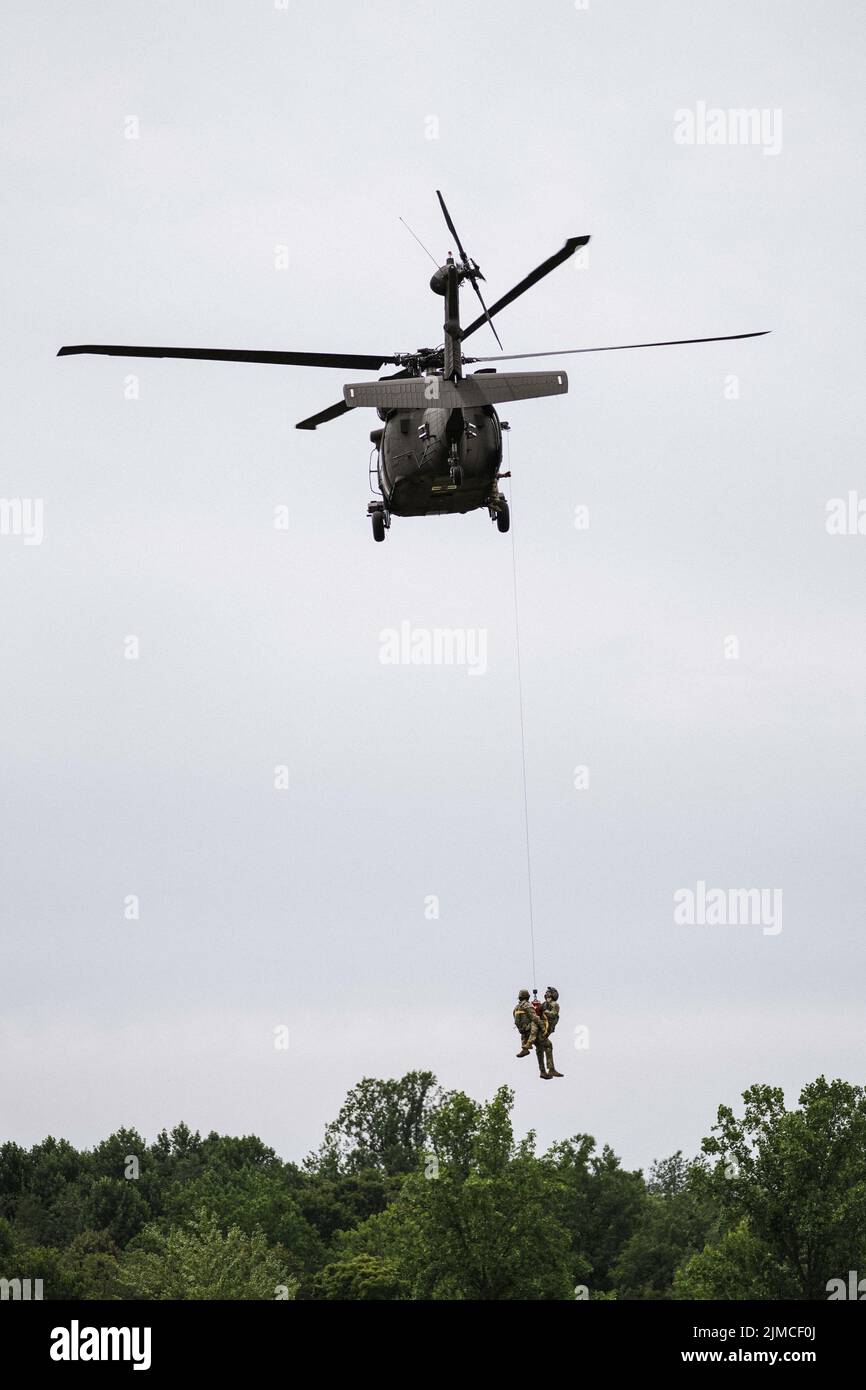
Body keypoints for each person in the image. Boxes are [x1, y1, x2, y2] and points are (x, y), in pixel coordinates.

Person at [535, 986, 564, 1079]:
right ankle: (550, 1069)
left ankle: (543, 1071)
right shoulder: (544, 1004)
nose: (546, 993)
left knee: (540, 1049)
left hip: (544, 1029)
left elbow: (553, 1014)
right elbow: (537, 1012)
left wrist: (545, 1011)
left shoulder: (554, 1004)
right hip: (542, 1030)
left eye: (548, 992)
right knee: (548, 1045)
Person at [513, 988, 539, 1057]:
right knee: (535, 1023)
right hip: (529, 1029)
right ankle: (529, 1044)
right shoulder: (527, 1005)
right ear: (528, 997)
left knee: (524, 1035)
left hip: (521, 1030)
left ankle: (524, 1048)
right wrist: (542, 1026)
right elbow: (534, 1017)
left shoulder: (517, 1007)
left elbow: (514, 1017)